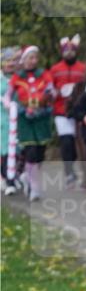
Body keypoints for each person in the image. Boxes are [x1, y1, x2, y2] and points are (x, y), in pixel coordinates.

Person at [9, 46, 54, 201]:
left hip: (41, 117)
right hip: (25, 119)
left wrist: (49, 96)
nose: (34, 61)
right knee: (31, 152)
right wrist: (12, 106)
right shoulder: (17, 77)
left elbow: (51, 90)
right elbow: (9, 96)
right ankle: (34, 187)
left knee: (40, 153)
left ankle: (27, 176)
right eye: (30, 57)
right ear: (24, 60)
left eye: (36, 57)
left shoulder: (44, 74)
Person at [50, 34, 86, 185]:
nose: (69, 53)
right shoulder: (55, 69)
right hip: (61, 111)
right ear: (62, 52)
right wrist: (56, 93)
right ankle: (69, 172)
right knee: (66, 142)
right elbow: (49, 89)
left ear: (76, 51)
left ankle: (83, 170)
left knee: (80, 142)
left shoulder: (83, 68)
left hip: (79, 111)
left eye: (72, 50)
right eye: (66, 50)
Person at [1, 47, 21, 196]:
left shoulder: (20, 78)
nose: (10, 64)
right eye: (7, 61)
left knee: (19, 150)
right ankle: (8, 180)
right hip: (2, 120)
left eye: (13, 61)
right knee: (6, 150)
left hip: (20, 119)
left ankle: (15, 176)